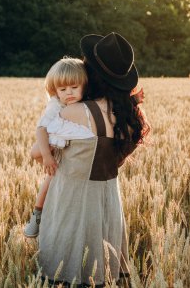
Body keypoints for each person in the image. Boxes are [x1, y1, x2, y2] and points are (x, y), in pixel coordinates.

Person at [38, 32, 150, 287]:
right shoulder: (129, 117)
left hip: (72, 203)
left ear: (92, 75)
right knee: (103, 273)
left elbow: (36, 151)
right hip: (108, 204)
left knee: (66, 272)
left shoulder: (75, 111)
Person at [24, 57, 93, 238]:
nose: (69, 93)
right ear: (55, 91)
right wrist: (47, 156)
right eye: (63, 89)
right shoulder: (56, 104)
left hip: (62, 147)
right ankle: (37, 214)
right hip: (49, 147)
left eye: (74, 87)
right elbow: (40, 130)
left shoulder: (86, 102)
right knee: (50, 179)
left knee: (51, 179)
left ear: (84, 85)